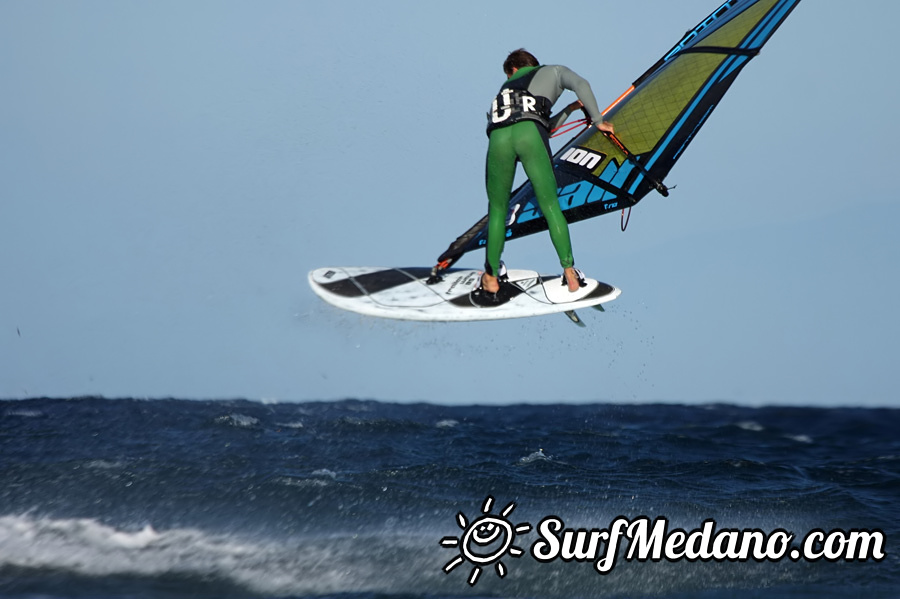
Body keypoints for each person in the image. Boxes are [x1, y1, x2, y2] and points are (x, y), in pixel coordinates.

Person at [480, 48, 614, 295]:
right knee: (551, 205)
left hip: (498, 140)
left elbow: (541, 123)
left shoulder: (505, 89)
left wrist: (571, 109)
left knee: (498, 209)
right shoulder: (555, 71)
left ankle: (491, 277)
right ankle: (570, 274)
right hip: (530, 137)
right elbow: (581, 84)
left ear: (513, 70)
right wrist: (598, 121)